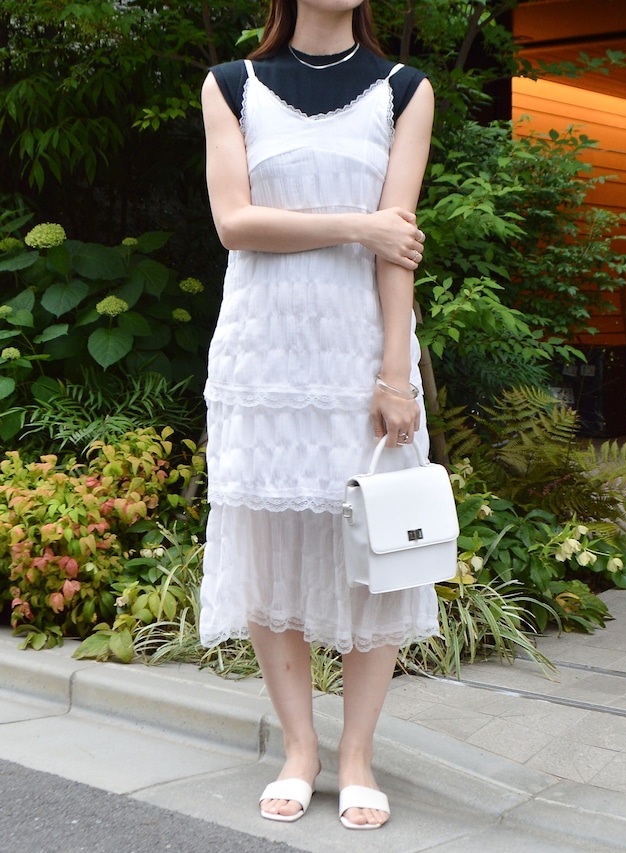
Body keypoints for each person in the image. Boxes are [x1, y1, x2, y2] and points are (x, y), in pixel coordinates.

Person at [199, 0, 436, 830]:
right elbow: (235, 223)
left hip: (360, 356)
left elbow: (398, 250)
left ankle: (357, 755)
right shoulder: (232, 84)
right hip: (263, 358)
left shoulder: (405, 90)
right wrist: (359, 225)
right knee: (269, 547)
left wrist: (395, 373)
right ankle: (300, 749)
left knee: (378, 555)